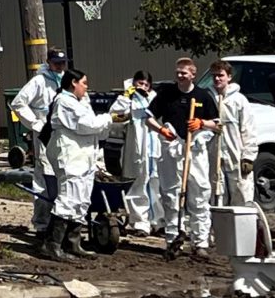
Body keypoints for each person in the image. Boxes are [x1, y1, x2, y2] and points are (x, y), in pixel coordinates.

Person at [38, 66, 116, 263]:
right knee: (68, 197)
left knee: (81, 199)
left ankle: (72, 242)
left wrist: (107, 121)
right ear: (73, 83)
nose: (86, 87)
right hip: (70, 156)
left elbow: (94, 127)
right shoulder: (64, 101)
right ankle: (52, 244)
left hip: (84, 157)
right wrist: (109, 117)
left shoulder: (80, 102)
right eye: (84, 83)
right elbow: (86, 124)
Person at [150, 56, 221, 258]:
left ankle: (200, 242)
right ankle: (173, 239)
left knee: (199, 195)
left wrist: (202, 123)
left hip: (195, 150)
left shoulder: (203, 96)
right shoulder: (167, 94)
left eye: (184, 73)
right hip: (172, 150)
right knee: (171, 195)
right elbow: (148, 118)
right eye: (178, 72)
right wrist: (161, 130)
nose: (180, 76)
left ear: (193, 74)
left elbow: (217, 125)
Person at [9, 49, 69, 241]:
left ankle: (61, 221)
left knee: (63, 177)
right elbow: (18, 103)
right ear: (48, 62)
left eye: (62, 63)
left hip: (64, 134)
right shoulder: (39, 81)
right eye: (56, 63)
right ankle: (42, 223)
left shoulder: (66, 80)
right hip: (44, 133)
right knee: (44, 176)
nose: (60, 66)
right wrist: (35, 123)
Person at [111, 68, 161, 235]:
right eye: (140, 83)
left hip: (154, 147)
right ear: (134, 83)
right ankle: (140, 222)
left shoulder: (154, 98)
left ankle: (158, 221)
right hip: (137, 147)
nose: (143, 87)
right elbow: (116, 115)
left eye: (146, 84)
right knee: (138, 184)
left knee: (156, 183)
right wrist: (126, 96)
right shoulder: (128, 99)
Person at [210, 61, 253, 209]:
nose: (217, 79)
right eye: (214, 76)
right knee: (217, 190)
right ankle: (220, 221)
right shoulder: (208, 98)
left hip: (235, 153)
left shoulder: (239, 100)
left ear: (229, 77)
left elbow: (248, 129)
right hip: (214, 153)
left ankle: (242, 221)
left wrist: (248, 156)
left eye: (220, 75)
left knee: (241, 190)